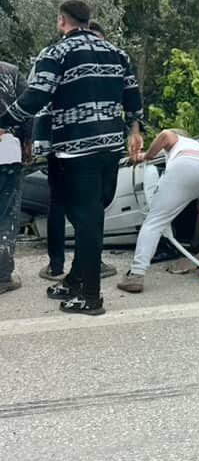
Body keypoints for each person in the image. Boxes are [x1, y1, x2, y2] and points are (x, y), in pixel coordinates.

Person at [0, 0, 143, 315]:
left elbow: (36, 97)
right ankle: (75, 279)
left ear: (61, 21)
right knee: (91, 217)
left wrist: (5, 122)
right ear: (88, 21)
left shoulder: (56, 54)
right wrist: (135, 129)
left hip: (75, 150)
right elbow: (133, 97)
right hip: (110, 148)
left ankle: (90, 296)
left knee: (86, 220)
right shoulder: (117, 54)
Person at [35, 20, 117, 281]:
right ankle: (84, 266)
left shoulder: (52, 56)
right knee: (84, 204)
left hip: (64, 141)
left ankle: (64, 265)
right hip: (77, 143)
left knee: (67, 202)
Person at [117, 129, 199, 293]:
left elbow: (165, 135)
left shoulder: (178, 140)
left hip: (185, 164)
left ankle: (136, 275)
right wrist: (196, 242)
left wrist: (147, 156)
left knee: (155, 222)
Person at [0, 61, 32, 295]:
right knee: (6, 213)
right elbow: (28, 108)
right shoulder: (10, 72)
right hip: (6, 150)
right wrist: (27, 142)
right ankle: (2, 275)